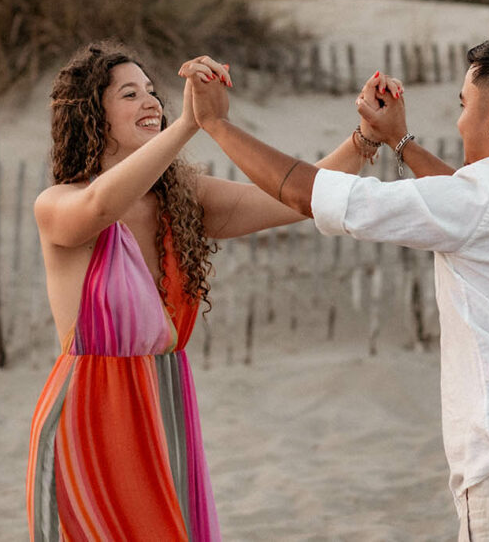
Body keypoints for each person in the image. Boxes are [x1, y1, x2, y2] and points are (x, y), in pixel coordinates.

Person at [189, 31, 489, 541]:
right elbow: (473, 207)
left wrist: (215, 123)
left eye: (464, 106)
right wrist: (399, 141)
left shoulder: (480, 206)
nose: (460, 118)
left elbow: (307, 194)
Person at [24, 40, 387, 541]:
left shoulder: (182, 200)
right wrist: (191, 124)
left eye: (153, 91)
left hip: (165, 412)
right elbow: (101, 207)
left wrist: (365, 138)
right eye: (130, 94)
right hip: (91, 420)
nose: (151, 101)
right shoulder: (58, 204)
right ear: (92, 114)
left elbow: (294, 200)